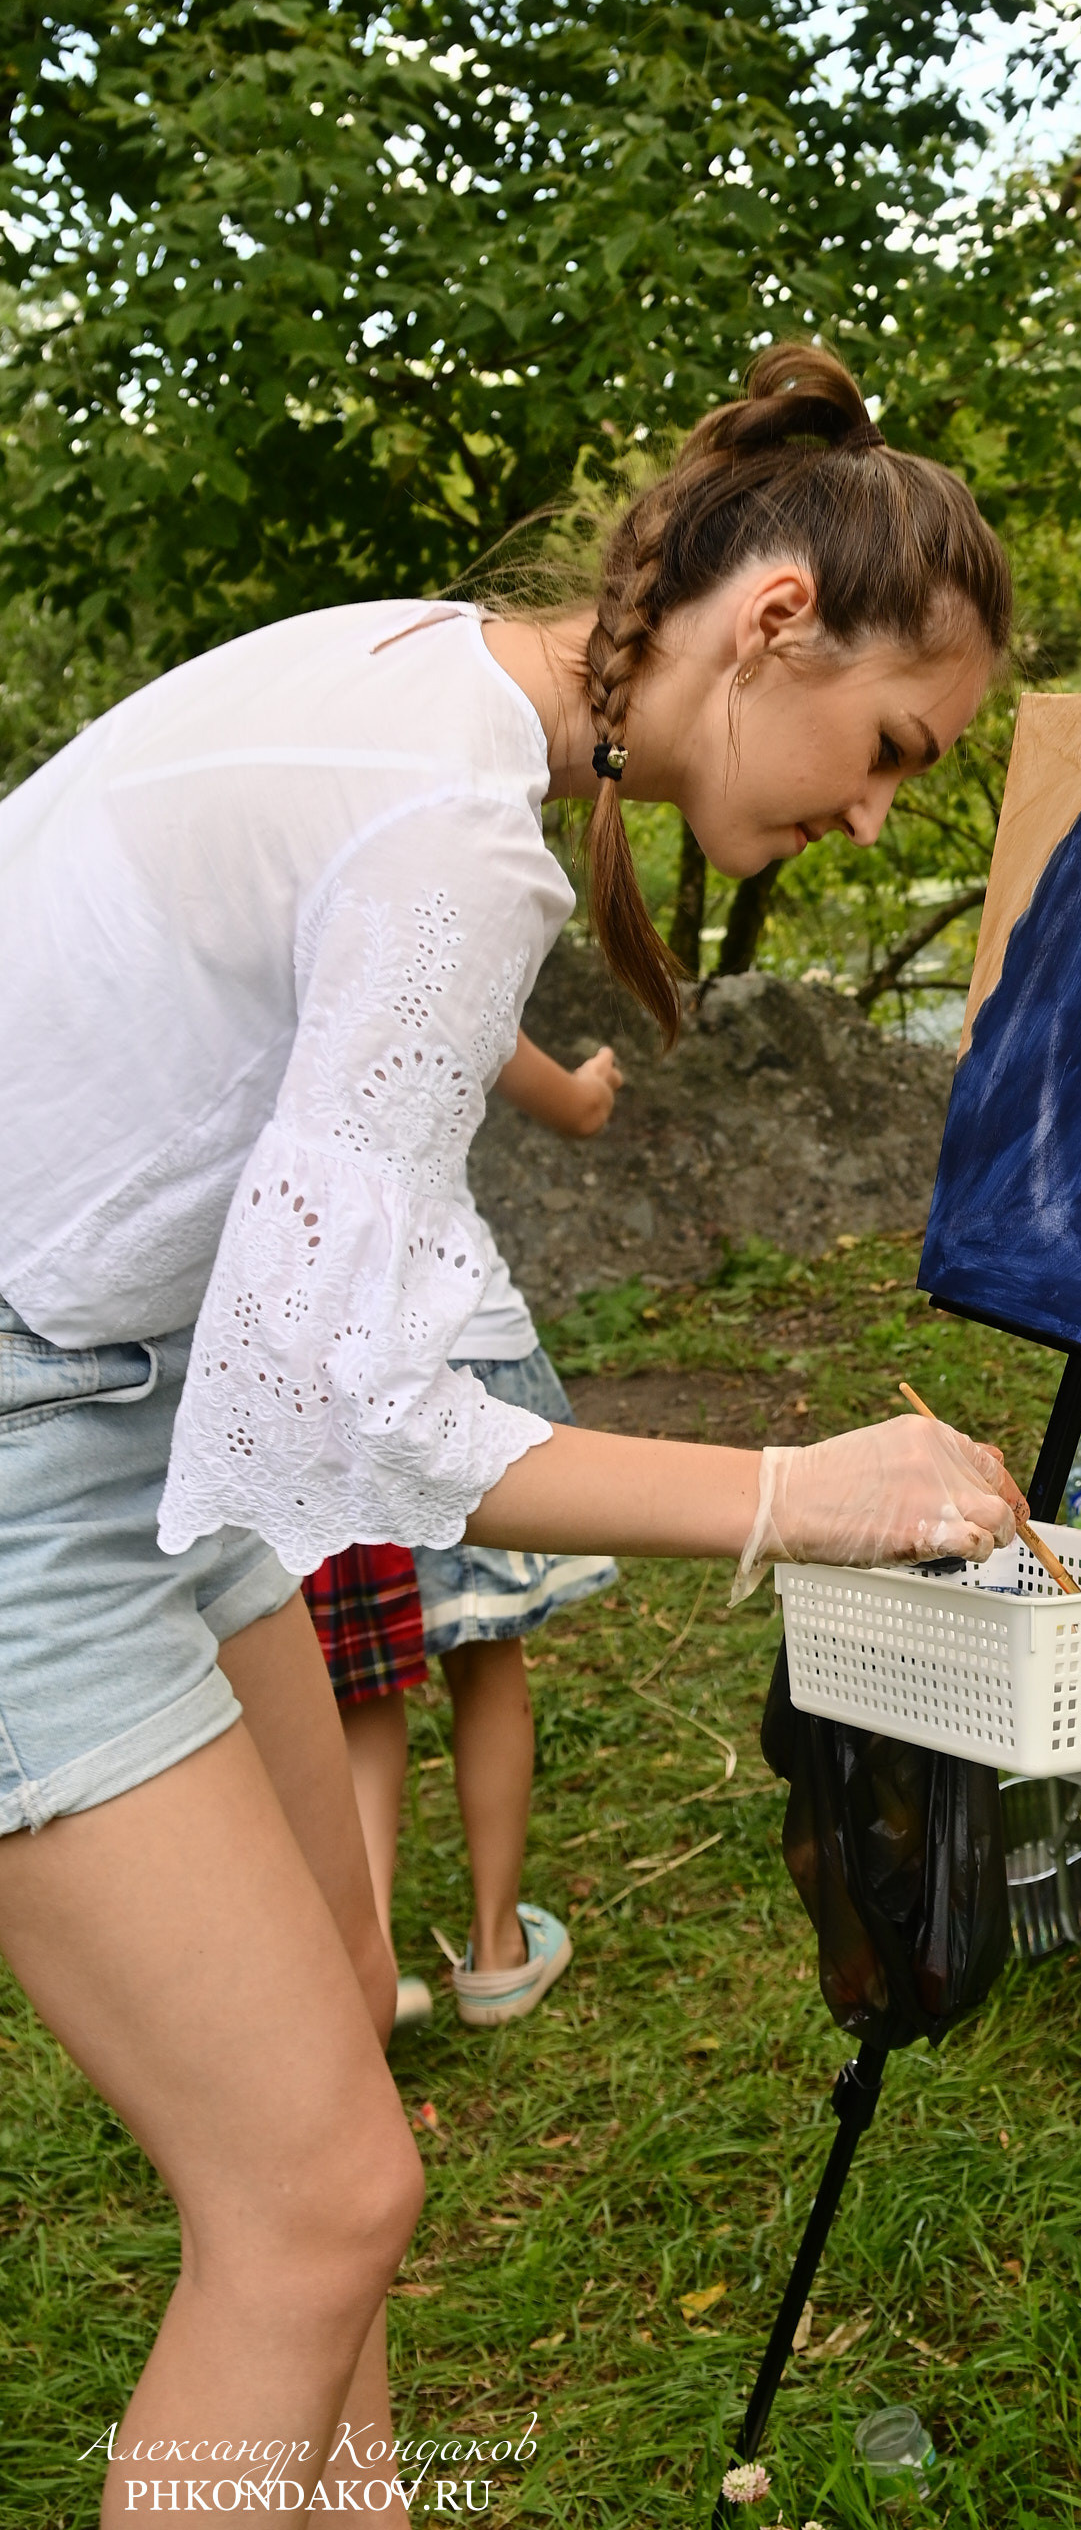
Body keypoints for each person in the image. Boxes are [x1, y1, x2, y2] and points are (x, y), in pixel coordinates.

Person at [0, 345, 1026, 2518]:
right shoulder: (459, 818)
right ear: (773, 625)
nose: (872, 819)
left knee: (349, 2033)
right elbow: (352, 1409)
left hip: (133, 1401)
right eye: (889, 752)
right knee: (315, 2199)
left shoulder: (451, 684)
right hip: (27, 1438)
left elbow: (308, 1273)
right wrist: (798, 1496)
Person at [315, 1031, 624, 2034]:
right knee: (490, 1660)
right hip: (468, 1347)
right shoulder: (455, 955)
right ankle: (496, 1953)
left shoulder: (288, 955)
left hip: (335, 1367)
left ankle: (362, 1975)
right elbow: (575, 1108)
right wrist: (598, 1075)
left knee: (363, 1690)